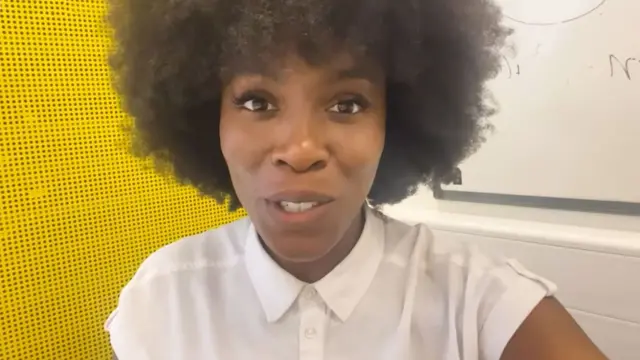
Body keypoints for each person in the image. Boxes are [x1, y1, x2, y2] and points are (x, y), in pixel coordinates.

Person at [105, 0, 607, 359]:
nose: (300, 149)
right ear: (205, 117)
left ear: (399, 120)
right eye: (257, 101)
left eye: (347, 104)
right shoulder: (161, 301)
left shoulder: (477, 302)